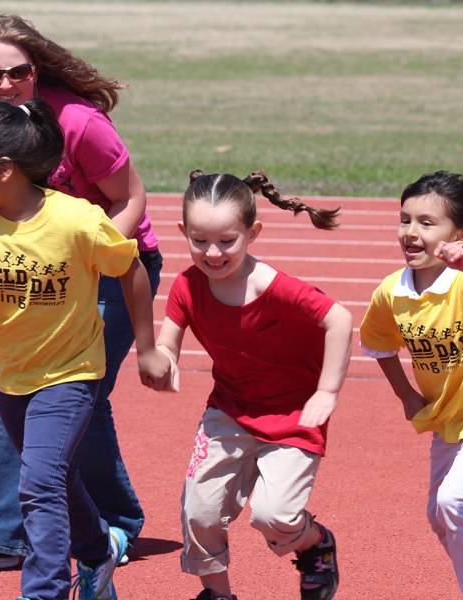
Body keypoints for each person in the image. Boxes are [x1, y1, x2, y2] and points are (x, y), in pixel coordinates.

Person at [0, 14, 162, 573]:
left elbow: (130, 196)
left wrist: (90, 249)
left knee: (77, 394)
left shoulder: (79, 124)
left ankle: (112, 526)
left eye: (19, 72)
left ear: (37, 71)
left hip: (111, 259)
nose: (7, 85)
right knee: (5, 390)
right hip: (34, 266)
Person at [146, 170, 353, 600]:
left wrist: (327, 391)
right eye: (200, 240)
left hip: (294, 415)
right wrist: (163, 361)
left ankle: (315, 545)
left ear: (251, 232)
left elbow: (339, 319)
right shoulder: (187, 285)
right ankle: (217, 595)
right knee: (198, 511)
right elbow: (168, 340)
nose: (213, 252)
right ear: (184, 232)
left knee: (272, 516)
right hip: (229, 412)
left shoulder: (273, 288)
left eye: (227, 240)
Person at [359, 171, 463, 600]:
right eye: (405, 220)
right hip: (445, 418)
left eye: (427, 223)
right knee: (439, 516)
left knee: (454, 501)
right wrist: (405, 395)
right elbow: (377, 344)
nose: (411, 232)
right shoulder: (391, 292)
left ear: (462, 234)